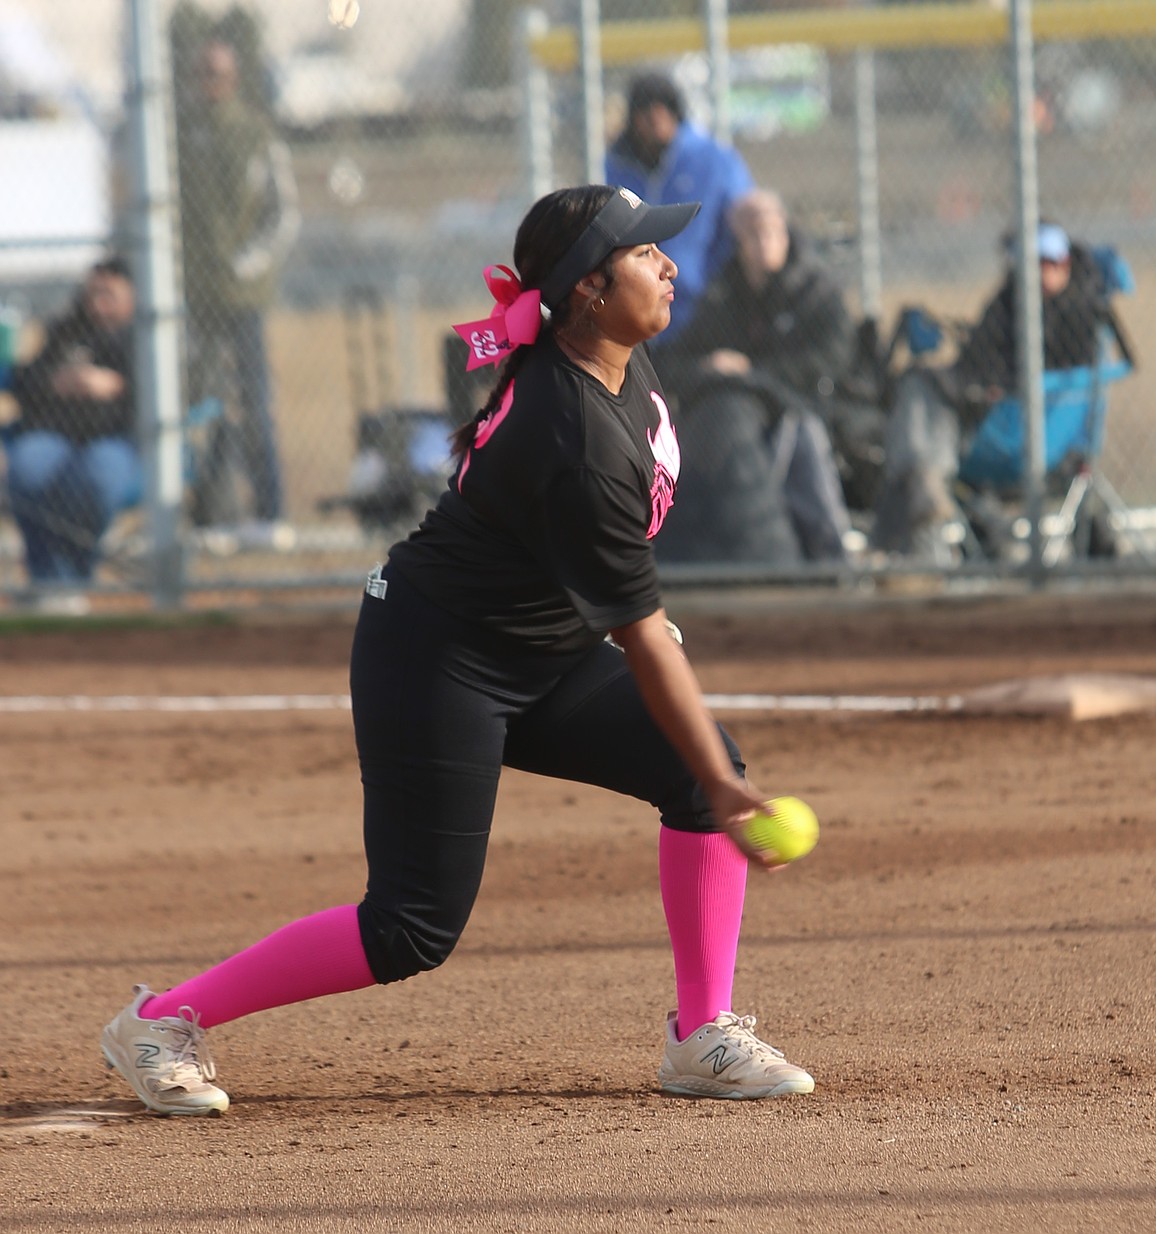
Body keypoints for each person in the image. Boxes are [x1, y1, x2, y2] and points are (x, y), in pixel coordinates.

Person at [99, 184, 816, 1116]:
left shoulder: (615, 364)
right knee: (410, 927)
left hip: (544, 651)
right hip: (439, 658)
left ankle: (702, 1034)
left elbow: (611, 578)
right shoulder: (575, 432)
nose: (669, 263)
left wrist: (700, 753)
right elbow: (637, 628)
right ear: (590, 290)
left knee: (698, 766)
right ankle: (160, 1020)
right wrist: (719, 781)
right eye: (645, 253)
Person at [869, 220, 1108, 562]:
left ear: (1067, 265)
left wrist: (1000, 386)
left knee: (922, 401)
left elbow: (1064, 369)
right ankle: (923, 493)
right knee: (919, 383)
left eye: (1053, 263)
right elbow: (976, 359)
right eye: (1035, 264)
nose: (1044, 273)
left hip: (1029, 432)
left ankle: (908, 519)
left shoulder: (1079, 312)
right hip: (989, 417)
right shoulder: (1007, 303)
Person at [653, 189, 861, 564]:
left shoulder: (815, 291)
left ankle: (833, 555)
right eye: (752, 233)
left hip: (807, 406)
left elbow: (832, 359)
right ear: (738, 240)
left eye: (770, 230)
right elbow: (675, 360)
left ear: (785, 231)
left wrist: (753, 374)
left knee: (801, 431)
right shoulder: (724, 294)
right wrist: (708, 366)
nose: (763, 241)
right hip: (740, 417)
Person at [177, 35, 299, 548]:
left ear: (236, 79)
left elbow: (282, 213)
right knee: (204, 405)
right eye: (204, 72)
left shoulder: (255, 135)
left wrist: (247, 263)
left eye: (220, 74)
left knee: (252, 400)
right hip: (194, 297)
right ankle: (212, 515)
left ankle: (269, 513)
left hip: (242, 297)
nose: (212, 84)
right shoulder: (180, 136)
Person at [4, 257, 141, 610]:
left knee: (97, 478)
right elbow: (26, 380)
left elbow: (181, 391)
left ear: (133, 297)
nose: (97, 303)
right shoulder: (66, 330)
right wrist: (56, 380)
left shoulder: (147, 336)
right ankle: (45, 581)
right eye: (92, 292)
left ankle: (71, 579)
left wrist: (116, 385)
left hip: (118, 440)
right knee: (27, 468)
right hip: (55, 435)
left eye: (108, 294)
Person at [605, 73, 754, 335]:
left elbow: (741, 218)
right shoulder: (619, 165)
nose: (655, 118)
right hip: (641, 298)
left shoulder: (711, 159)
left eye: (663, 108)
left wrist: (715, 278)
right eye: (645, 110)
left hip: (706, 299)